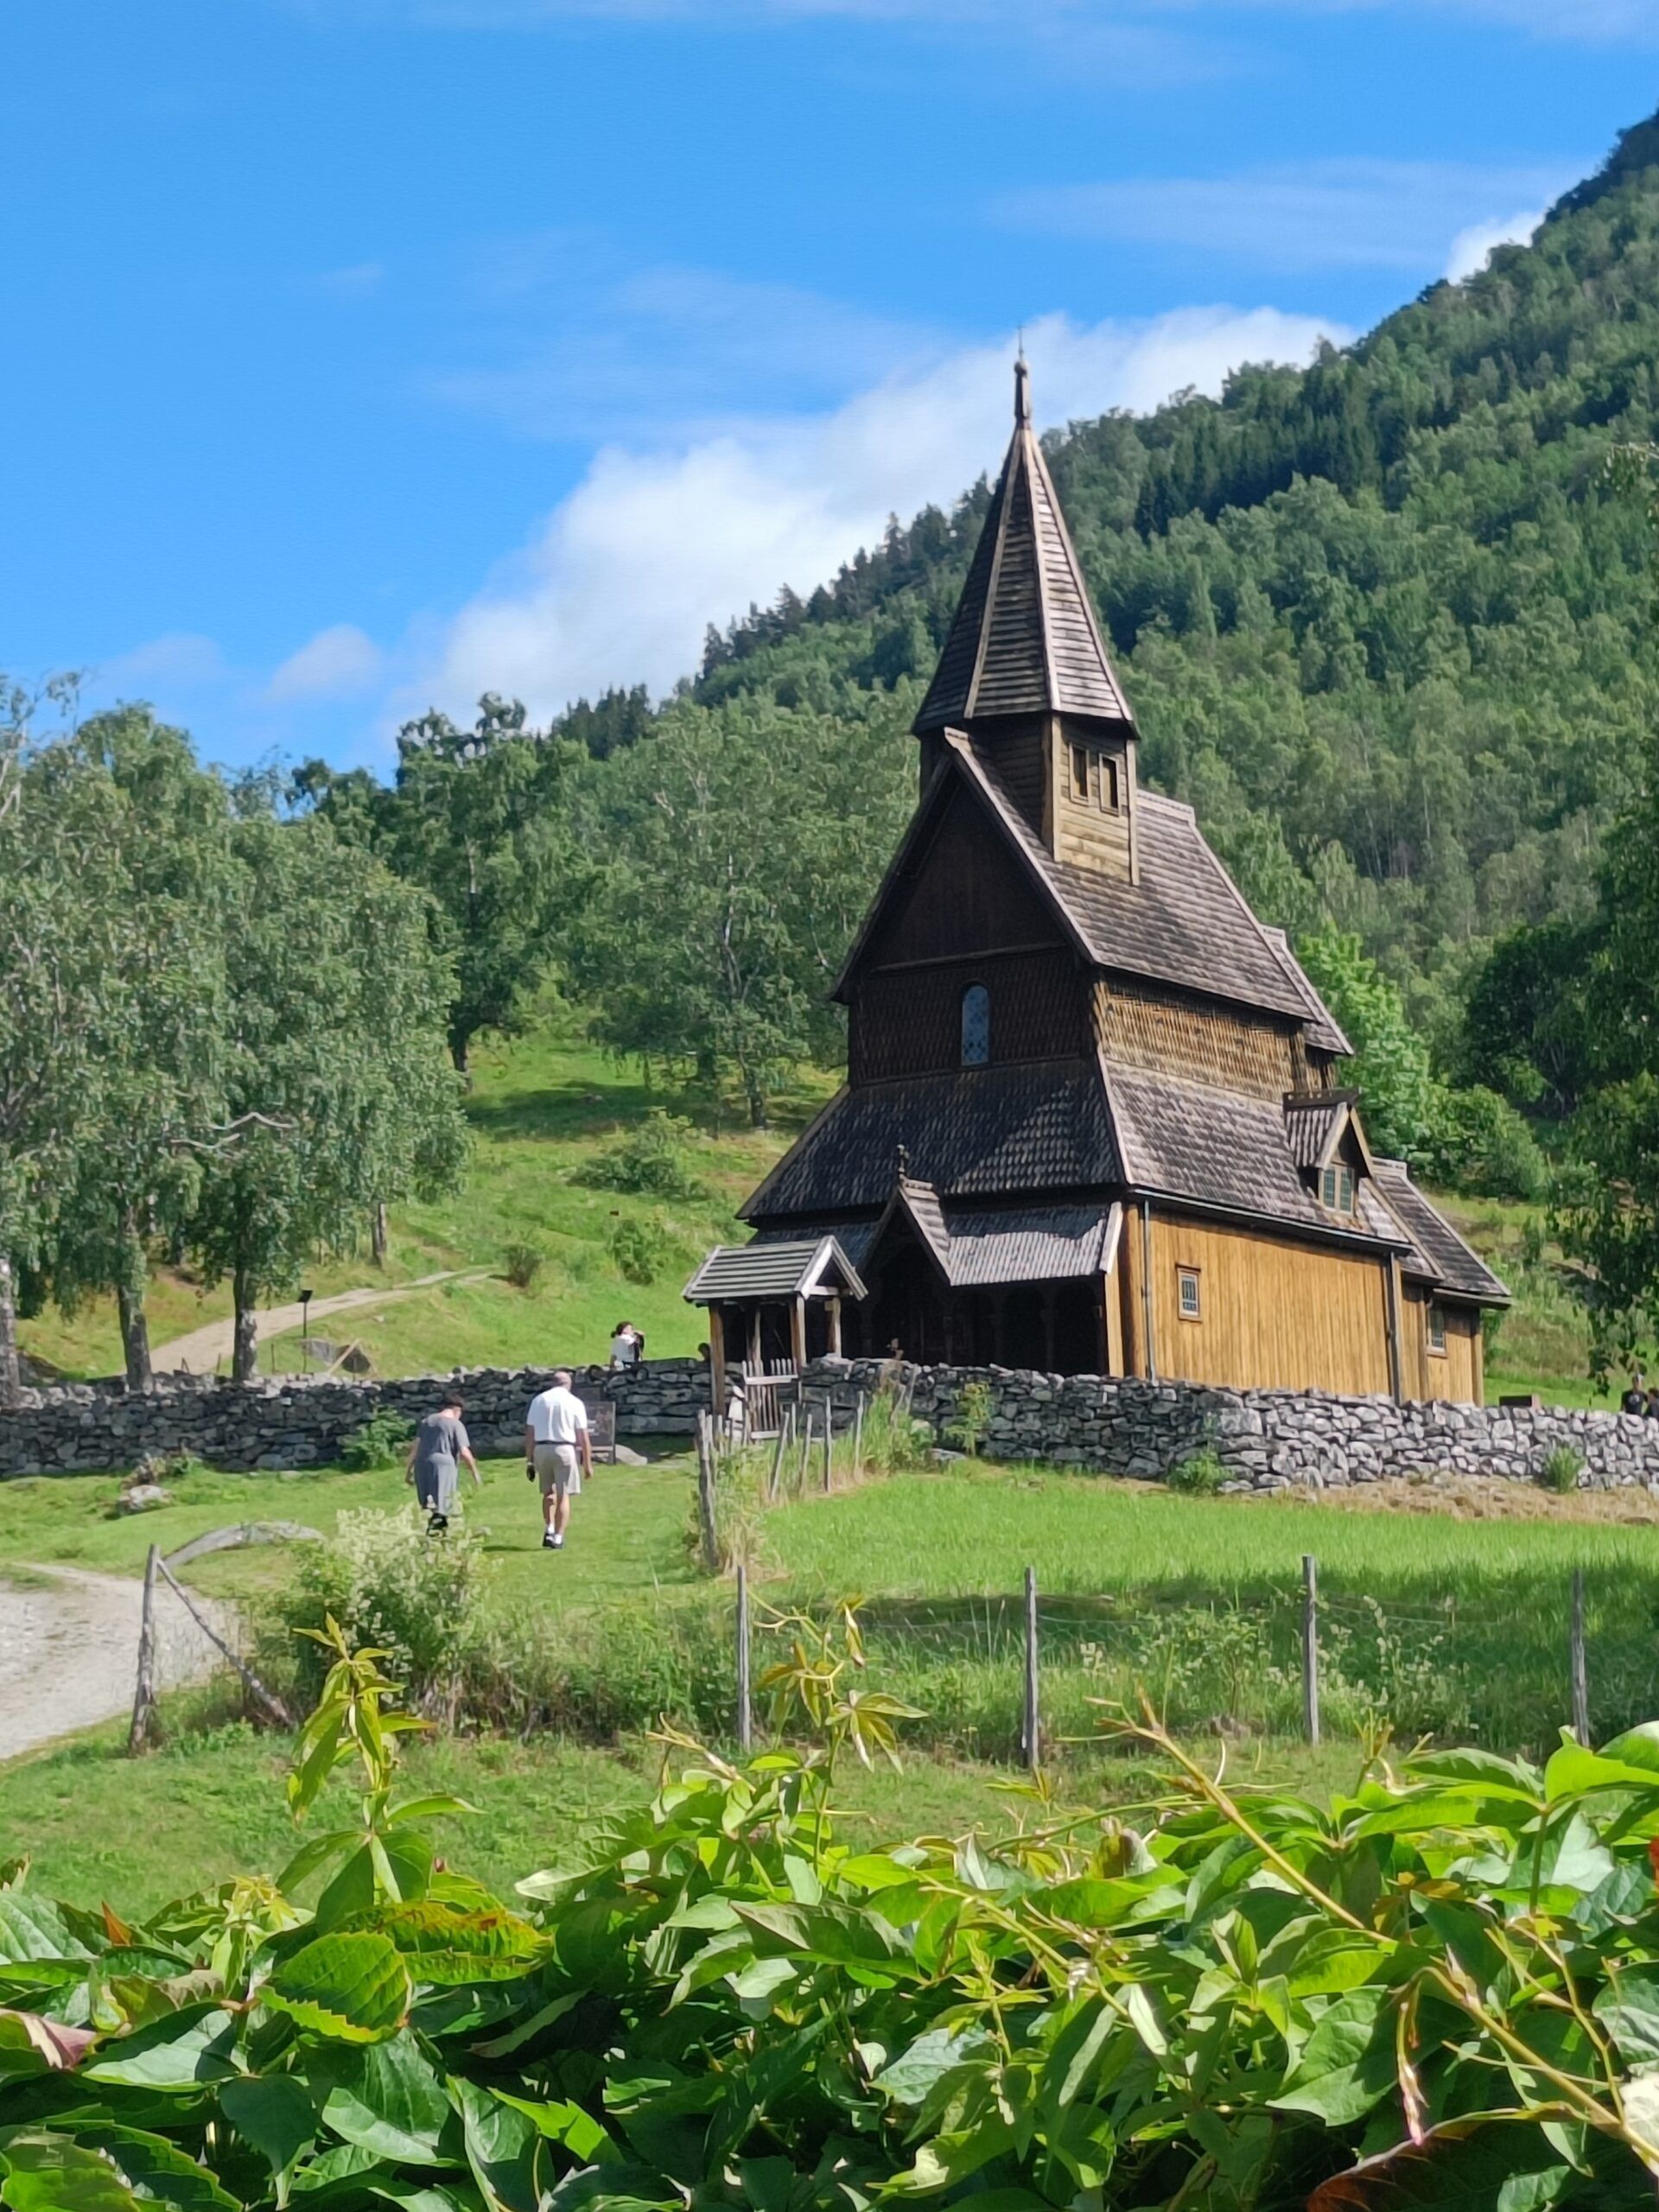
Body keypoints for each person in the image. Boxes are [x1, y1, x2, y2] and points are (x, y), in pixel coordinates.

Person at [524, 1369, 594, 1552]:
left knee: (548, 1492)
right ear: (568, 1385)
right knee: (564, 1494)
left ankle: (549, 1528)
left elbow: (530, 1433)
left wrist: (529, 1460)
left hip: (541, 1448)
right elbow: (583, 1436)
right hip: (564, 1448)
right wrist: (587, 1463)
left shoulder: (538, 1401)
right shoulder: (574, 1402)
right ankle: (559, 1536)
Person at [404, 1391, 480, 1535]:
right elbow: (464, 1452)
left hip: (422, 1464)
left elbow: (415, 1448)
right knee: (442, 1504)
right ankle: (437, 1536)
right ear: (457, 1410)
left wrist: (408, 1471)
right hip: (443, 1465)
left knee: (428, 1504)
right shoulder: (455, 1425)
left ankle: (431, 1534)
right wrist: (475, 1473)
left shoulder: (427, 1421)